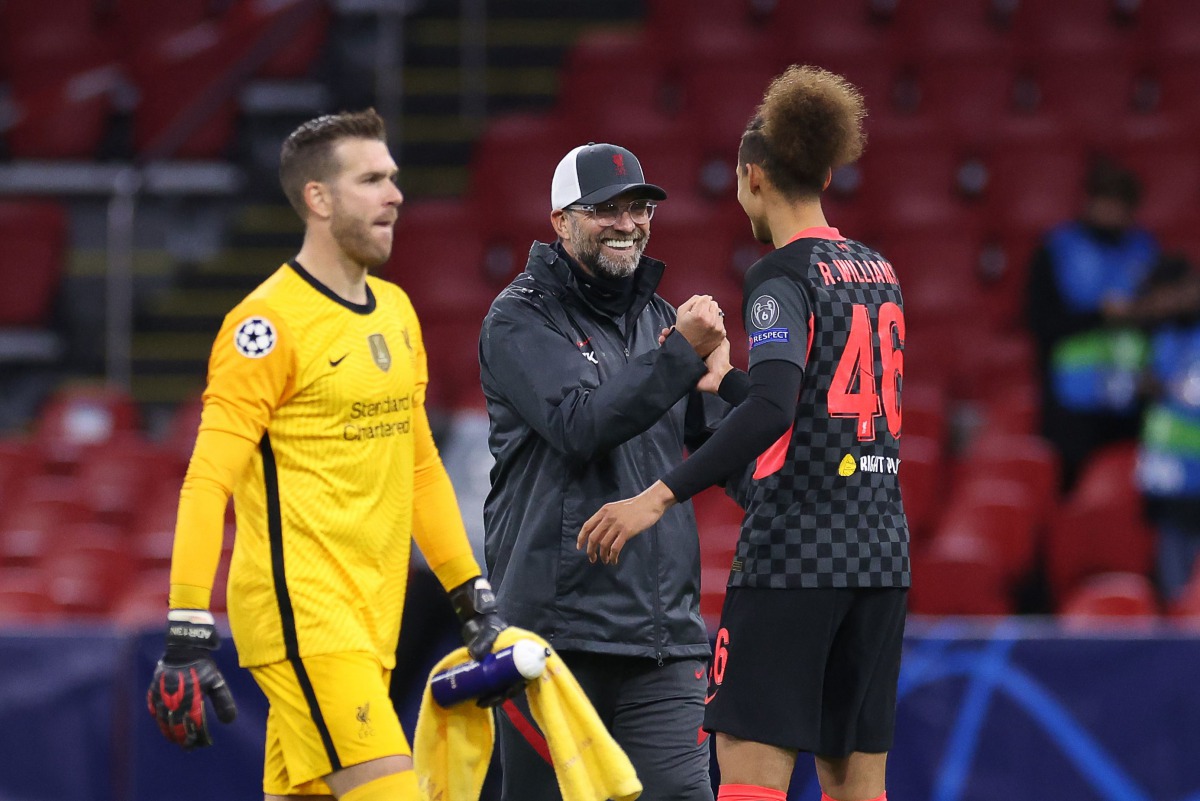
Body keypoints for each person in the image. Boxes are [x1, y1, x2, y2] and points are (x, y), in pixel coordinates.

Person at [145, 109, 507, 801]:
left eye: (394, 178)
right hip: (305, 617)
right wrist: (188, 625)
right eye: (371, 179)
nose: (395, 194)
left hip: (375, 618)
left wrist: (469, 591)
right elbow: (207, 481)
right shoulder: (265, 326)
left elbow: (421, 468)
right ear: (318, 198)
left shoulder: (397, 312)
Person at [580, 66, 909, 801]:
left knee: (752, 773)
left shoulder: (778, 275)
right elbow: (821, 403)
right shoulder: (877, 269)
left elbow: (774, 412)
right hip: (880, 555)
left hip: (794, 558)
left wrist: (656, 497)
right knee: (857, 782)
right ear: (825, 169)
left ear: (751, 176)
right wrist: (730, 377)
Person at [478, 141, 730, 801]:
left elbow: (713, 447)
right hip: (554, 636)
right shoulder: (519, 317)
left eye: (639, 207)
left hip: (663, 636)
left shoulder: (657, 319)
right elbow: (581, 424)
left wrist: (742, 393)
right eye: (605, 210)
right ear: (560, 220)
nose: (627, 223)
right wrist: (681, 354)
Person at [1026, 158, 1160, 490]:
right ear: (1090, 202)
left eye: (1121, 205)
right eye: (1107, 202)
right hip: (1072, 401)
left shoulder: (1146, 251)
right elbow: (1040, 321)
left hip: (1130, 398)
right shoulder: (1058, 249)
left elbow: (1162, 319)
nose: (1113, 213)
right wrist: (1100, 315)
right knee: (1074, 494)